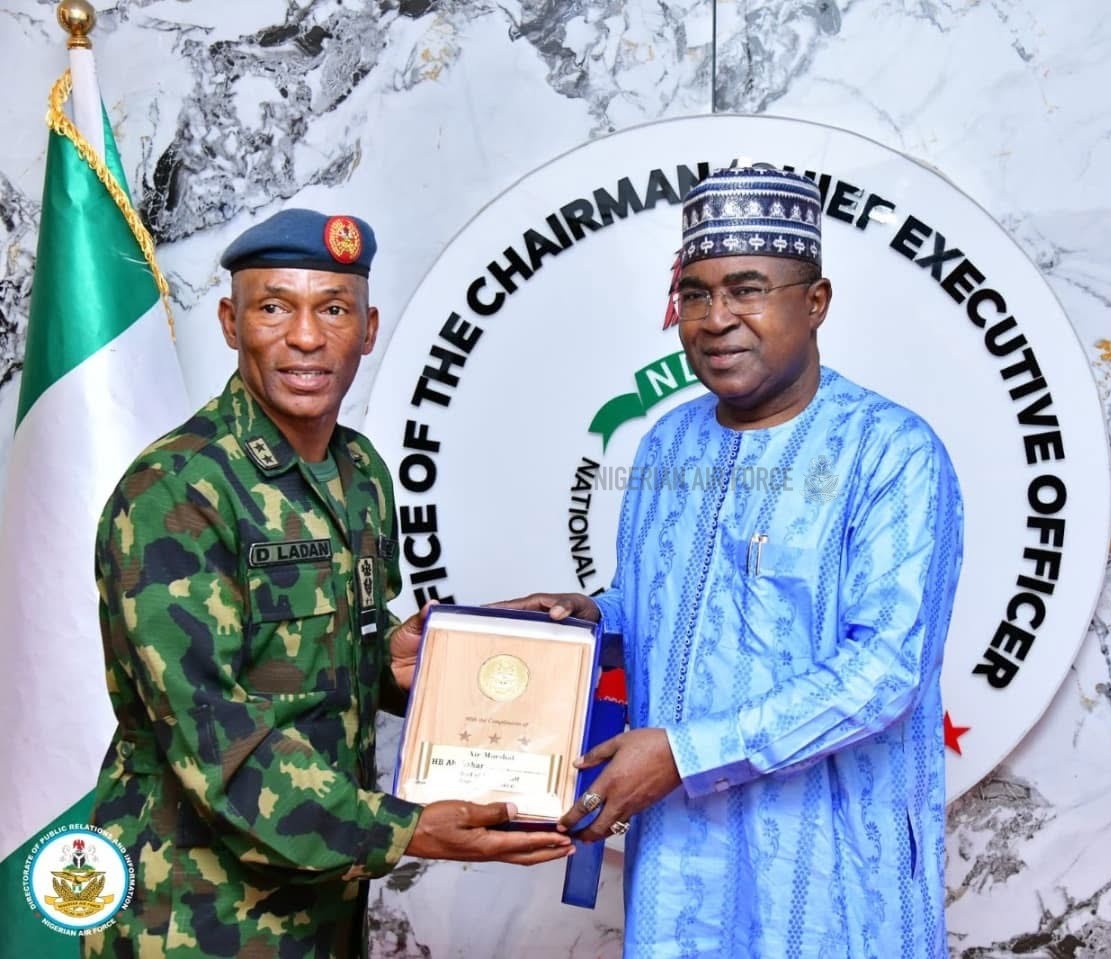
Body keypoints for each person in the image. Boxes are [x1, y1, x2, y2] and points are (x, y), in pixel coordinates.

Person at [86, 209, 572, 959]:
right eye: (275, 307)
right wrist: (407, 830)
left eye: (334, 309)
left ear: (368, 329)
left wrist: (424, 660)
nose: (307, 337)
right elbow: (214, 736)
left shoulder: (360, 472)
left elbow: (311, 661)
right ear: (230, 322)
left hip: (323, 905)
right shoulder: (177, 489)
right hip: (193, 914)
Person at [504, 168, 964, 958]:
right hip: (681, 863)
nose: (716, 320)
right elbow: (654, 607)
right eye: (695, 295)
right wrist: (588, 618)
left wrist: (685, 753)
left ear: (814, 302)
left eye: (746, 291)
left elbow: (885, 669)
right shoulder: (668, 440)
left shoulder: (890, 451)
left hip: (829, 869)